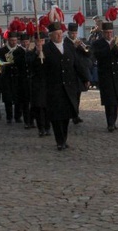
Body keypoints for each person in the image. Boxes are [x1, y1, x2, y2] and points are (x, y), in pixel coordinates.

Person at [39, 22, 90, 150]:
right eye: (56, 34)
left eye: (60, 34)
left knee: (66, 115)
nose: (59, 36)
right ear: (50, 36)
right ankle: (59, 140)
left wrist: (85, 78)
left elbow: (77, 64)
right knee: (56, 116)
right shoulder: (45, 49)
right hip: (54, 87)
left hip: (69, 86)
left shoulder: (69, 47)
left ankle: (64, 138)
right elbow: (39, 68)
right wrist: (37, 54)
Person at [92, 22, 118, 132]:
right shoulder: (97, 43)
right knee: (109, 100)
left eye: (110, 32)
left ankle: (114, 121)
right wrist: (109, 47)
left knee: (116, 99)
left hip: (117, 74)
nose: (109, 35)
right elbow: (97, 56)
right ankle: (110, 123)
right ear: (102, 33)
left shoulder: (117, 41)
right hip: (106, 74)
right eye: (106, 33)